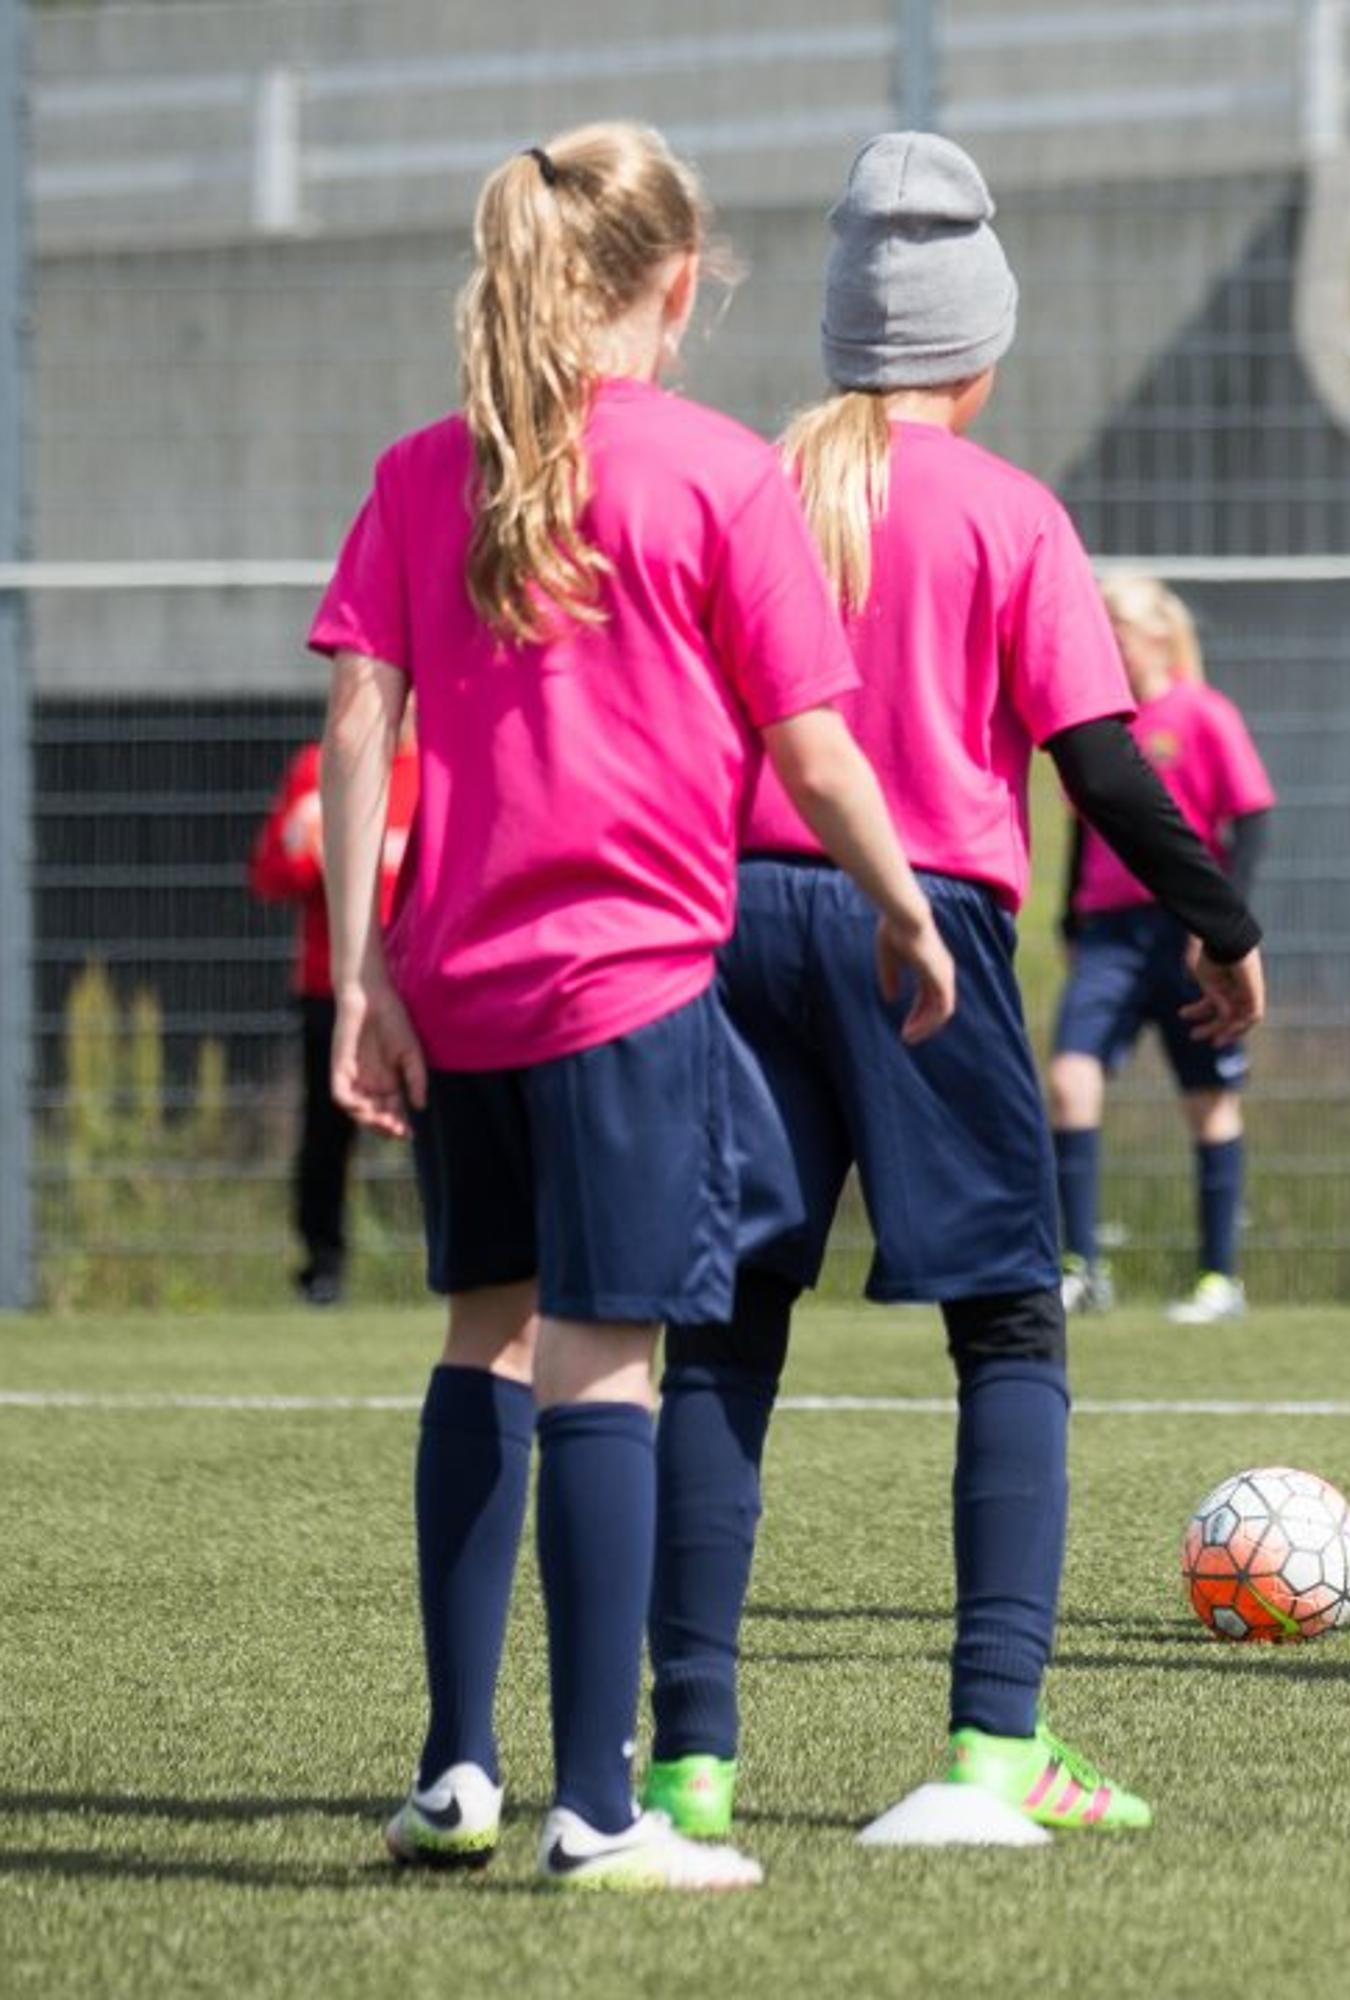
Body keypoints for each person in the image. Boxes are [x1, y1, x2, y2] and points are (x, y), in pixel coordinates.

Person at [314, 122, 954, 1892]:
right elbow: (814, 751)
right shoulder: (718, 471)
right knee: (608, 1363)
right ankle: (600, 1811)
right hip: (627, 988)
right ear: (681, 285)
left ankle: (458, 1769)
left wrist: (368, 964)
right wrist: (909, 911)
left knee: (483, 1338)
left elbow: (359, 717)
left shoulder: (421, 469)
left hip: (458, 985)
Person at [641, 131, 1264, 1844]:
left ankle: (688, 1760)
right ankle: (995, 1744)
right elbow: (1108, 771)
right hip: (924, 930)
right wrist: (1224, 923)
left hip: (738, 920)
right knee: (1008, 1325)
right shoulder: (1011, 511)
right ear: (980, 343)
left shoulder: (748, 488)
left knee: (720, 1328)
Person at [1046, 574, 1276, 1326]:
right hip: (1109, 934)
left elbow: (1252, 819)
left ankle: (1219, 1277)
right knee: (1069, 1080)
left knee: (1208, 1101)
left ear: (1150, 636)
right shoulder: (1098, 722)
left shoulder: (1203, 715)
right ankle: (1080, 1265)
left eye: (1114, 627)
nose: (1102, 642)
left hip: (1181, 937)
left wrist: (1220, 927)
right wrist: (1070, 925)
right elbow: (1088, 826)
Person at [246, 724, 417, 1303]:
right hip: (332, 989)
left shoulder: (445, 765)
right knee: (326, 1135)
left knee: (453, 1132)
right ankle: (322, 1267)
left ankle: (471, 1264)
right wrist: (307, 848)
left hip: (428, 986)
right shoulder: (320, 768)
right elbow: (272, 873)